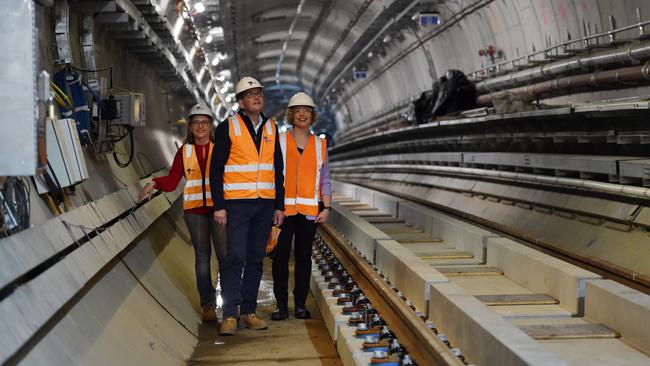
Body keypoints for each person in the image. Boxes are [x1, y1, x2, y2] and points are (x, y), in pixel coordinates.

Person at [210, 76, 285, 336]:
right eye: (251, 94)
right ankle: (229, 315)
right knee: (235, 257)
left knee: (255, 258)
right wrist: (219, 206)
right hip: (237, 204)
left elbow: (278, 168)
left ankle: (248, 312)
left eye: (260, 93)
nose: (257, 97)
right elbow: (216, 169)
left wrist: (279, 205)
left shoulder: (272, 128)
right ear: (241, 101)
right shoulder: (227, 127)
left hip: (264, 204)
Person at [138, 103, 226, 322]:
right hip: (195, 210)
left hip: (219, 210)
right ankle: (208, 305)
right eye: (196, 122)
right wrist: (153, 183)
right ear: (190, 127)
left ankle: (232, 302)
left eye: (205, 122)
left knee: (226, 256)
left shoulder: (221, 149)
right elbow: (171, 181)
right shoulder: (184, 152)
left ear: (211, 125)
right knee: (202, 257)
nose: (201, 126)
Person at [271, 92, 332, 320]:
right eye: (298, 111)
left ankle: (299, 304)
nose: (302, 114)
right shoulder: (279, 140)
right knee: (280, 257)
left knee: (304, 258)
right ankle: (280, 305)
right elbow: (273, 174)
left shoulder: (320, 145)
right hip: (283, 211)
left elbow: (325, 178)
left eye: (306, 110)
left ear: (312, 115)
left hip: (309, 211)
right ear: (291, 115)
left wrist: (326, 208)